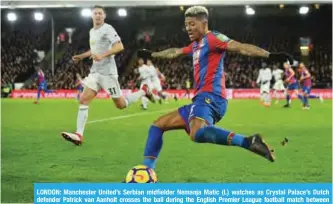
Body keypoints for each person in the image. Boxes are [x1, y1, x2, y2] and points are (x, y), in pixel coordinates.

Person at [138, 6, 294, 170]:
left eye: (192, 24)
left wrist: (271, 55)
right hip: (200, 99)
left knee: (197, 133)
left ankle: (248, 142)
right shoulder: (195, 45)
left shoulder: (213, 38)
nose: (188, 29)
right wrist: (152, 55)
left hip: (212, 97)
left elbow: (240, 47)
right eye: (186, 25)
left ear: (204, 23)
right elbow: (175, 52)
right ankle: (147, 171)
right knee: (157, 125)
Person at [61, 5, 154, 145]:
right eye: (95, 13)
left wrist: (102, 55)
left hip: (108, 73)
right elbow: (94, 50)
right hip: (95, 72)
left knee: (121, 105)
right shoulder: (92, 31)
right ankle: (79, 134)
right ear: (92, 16)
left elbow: (119, 46)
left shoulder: (108, 29)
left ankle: (143, 91)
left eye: (100, 13)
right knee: (83, 100)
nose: (97, 15)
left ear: (104, 16)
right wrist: (81, 56)